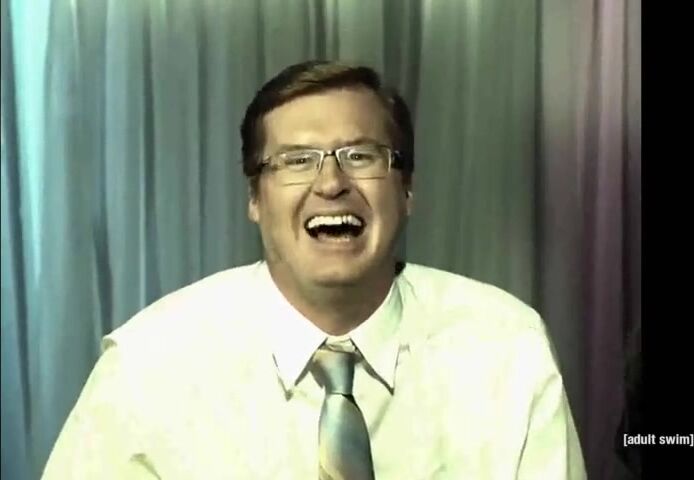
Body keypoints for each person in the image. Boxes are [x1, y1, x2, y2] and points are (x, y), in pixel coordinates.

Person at [42, 60, 586, 479]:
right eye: (296, 161)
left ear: (407, 189)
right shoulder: (148, 365)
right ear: (254, 198)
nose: (330, 184)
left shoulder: (507, 348)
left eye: (361, 156)